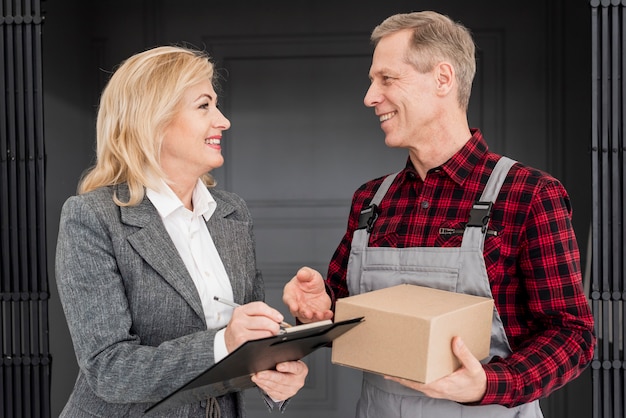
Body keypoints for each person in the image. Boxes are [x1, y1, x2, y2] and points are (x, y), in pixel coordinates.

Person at [283, 11, 595, 418]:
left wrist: (489, 382)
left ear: (443, 79)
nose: (370, 96)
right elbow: (344, 313)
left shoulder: (529, 194)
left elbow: (573, 335)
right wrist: (319, 306)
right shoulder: (370, 201)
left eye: (386, 79)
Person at [55, 45, 308, 418]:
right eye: (204, 106)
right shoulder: (92, 218)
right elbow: (108, 370)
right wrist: (223, 344)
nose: (223, 121)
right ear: (152, 119)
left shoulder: (232, 213)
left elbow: (247, 345)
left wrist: (275, 376)